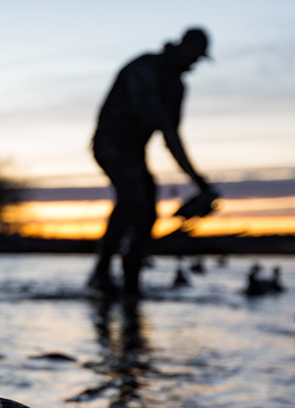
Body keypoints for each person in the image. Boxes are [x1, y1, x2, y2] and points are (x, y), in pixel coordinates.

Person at [87, 28, 216, 298]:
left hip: (134, 152)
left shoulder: (178, 87)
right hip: (110, 144)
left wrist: (198, 180)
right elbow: (161, 125)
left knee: (147, 205)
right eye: (195, 55)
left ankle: (131, 275)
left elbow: (173, 138)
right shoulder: (144, 68)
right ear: (183, 47)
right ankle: (102, 272)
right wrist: (196, 177)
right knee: (132, 197)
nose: (195, 63)